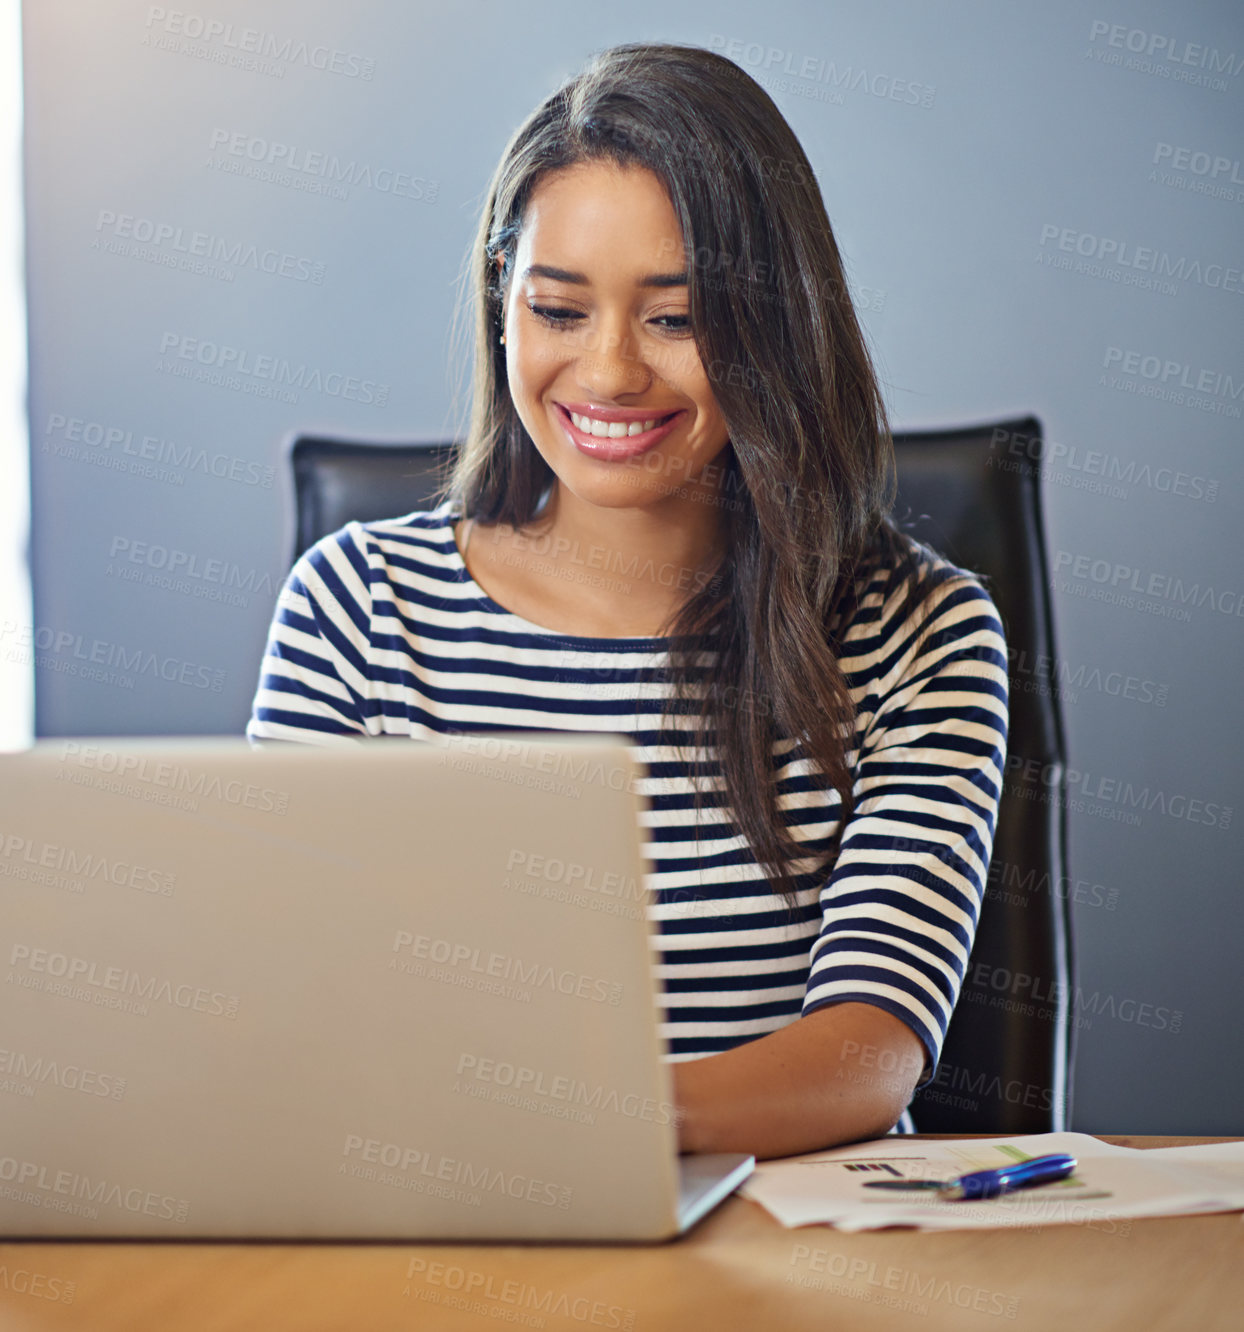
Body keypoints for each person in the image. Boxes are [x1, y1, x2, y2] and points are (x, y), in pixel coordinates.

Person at [246, 43, 1008, 1160]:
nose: (607, 374)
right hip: (438, 1241)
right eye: (558, 310)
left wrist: (569, 1123)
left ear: (775, 327)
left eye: (674, 318)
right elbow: (288, 1009)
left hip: (788, 1259)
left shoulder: (917, 634)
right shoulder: (356, 609)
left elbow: (867, 1052)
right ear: (503, 305)